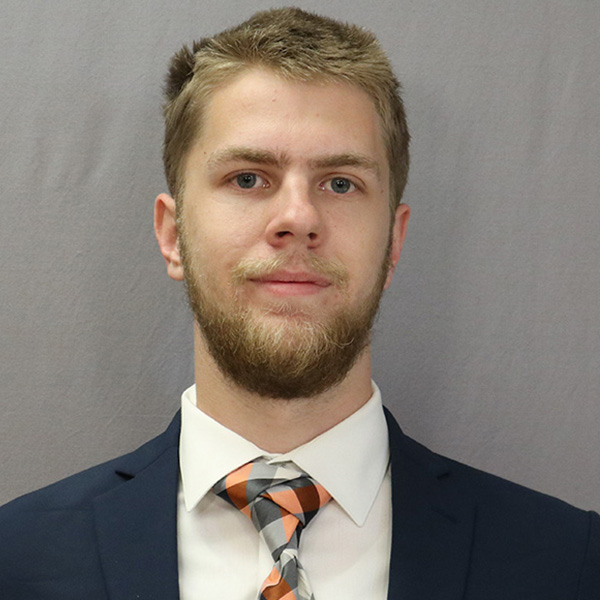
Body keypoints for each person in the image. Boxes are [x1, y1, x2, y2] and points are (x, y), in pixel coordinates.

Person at [0, 7, 598, 600]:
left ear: (393, 241)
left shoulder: (569, 564)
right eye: (248, 178)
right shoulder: (17, 559)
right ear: (171, 235)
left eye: (341, 183)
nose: (298, 218)